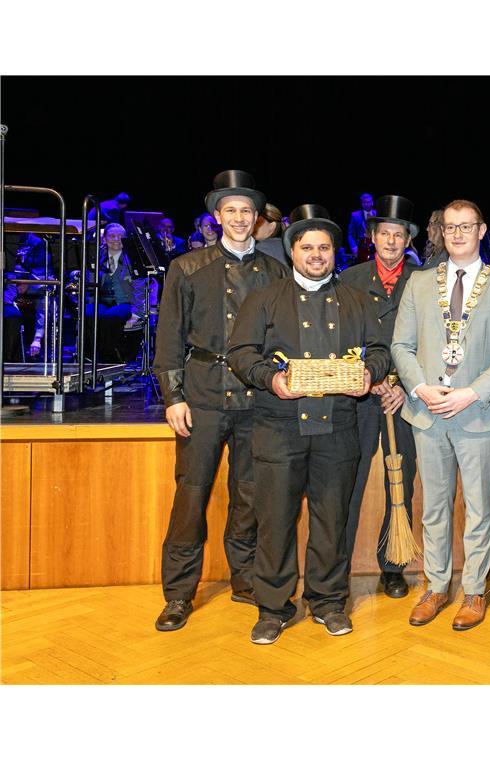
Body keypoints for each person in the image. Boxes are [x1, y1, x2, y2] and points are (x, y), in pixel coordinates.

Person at [227, 204, 388, 645]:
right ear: (292, 251)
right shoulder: (264, 299)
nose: (316, 254)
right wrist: (271, 380)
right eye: (307, 247)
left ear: (334, 253)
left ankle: (328, 601)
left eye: (324, 247)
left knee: (331, 519)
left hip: (338, 426)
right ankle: (273, 608)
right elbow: (241, 354)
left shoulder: (357, 301)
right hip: (278, 427)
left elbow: (379, 351)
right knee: (275, 520)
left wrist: (368, 375)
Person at [152, 170, 289, 632]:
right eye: (230, 210)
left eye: (246, 211)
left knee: (250, 495)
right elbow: (168, 337)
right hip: (203, 396)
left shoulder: (276, 272)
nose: (238, 218)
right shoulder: (187, 268)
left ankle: (245, 578)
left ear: (256, 219)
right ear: (217, 217)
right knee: (191, 495)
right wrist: (173, 397)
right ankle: (178, 593)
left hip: (258, 401)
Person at [390, 199, 490, 631]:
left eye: (467, 226)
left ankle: (473, 590)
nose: (459, 234)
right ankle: (435, 586)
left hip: (478, 414)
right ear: (441, 233)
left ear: (482, 231)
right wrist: (421, 388)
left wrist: (468, 393)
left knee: (480, 509)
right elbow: (400, 347)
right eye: (451, 227)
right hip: (428, 412)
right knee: (433, 506)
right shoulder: (419, 283)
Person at [340, 195, 422, 600]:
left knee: (400, 482)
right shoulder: (349, 280)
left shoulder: (423, 282)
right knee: (348, 480)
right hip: (358, 394)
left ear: (408, 239)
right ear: (372, 237)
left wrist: (404, 386)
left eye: (399, 234)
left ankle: (393, 566)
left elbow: (433, 343)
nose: (391, 241)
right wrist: (372, 380)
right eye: (384, 233)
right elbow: (339, 338)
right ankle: (337, 568)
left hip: (404, 399)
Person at [85, 223, 146, 363]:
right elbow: (90, 284)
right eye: (112, 236)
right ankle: (91, 357)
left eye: (120, 236)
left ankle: (111, 359)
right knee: (89, 314)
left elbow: (140, 287)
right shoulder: (97, 258)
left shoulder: (133, 258)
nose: (116, 239)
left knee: (110, 318)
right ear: (104, 239)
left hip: (125, 301)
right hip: (102, 300)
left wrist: (136, 315)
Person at [252, 202, 288, 267]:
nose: (252, 226)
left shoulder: (264, 247)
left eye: (257, 223)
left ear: (272, 226)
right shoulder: (284, 244)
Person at [347, 192, 376, 263]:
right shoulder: (355, 215)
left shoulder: (378, 214)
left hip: (376, 247)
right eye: (364, 202)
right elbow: (350, 234)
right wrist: (354, 247)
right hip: (361, 248)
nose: (366, 204)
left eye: (368, 202)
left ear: (372, 202)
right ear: (362, 203)